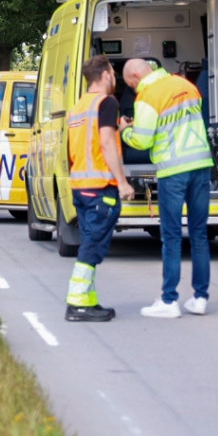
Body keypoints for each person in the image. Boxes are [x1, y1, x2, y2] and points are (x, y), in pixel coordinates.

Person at [121, 57, 215, 318]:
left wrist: (125, 130)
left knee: (172, 236)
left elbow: (142, 140)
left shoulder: (147, 96)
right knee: (198, 234)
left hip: (173, 170)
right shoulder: (185, 84)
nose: (134, 89)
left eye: (131, 85)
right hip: (201, 164)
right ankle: (200, 298)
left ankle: (169, 300)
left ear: (135, 78)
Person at [64, 56, 133, 323]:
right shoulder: (107, 102)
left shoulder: (79, 107)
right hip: (100, 188)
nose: (114, 78)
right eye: (113, 74)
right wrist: (123, 181)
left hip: (81, 187)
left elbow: (83, 145)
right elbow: (105, 143)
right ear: (105, 74)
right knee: (92, 247)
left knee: (89, 243)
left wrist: (119, 127)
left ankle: (88, 301)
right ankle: (77, 304)